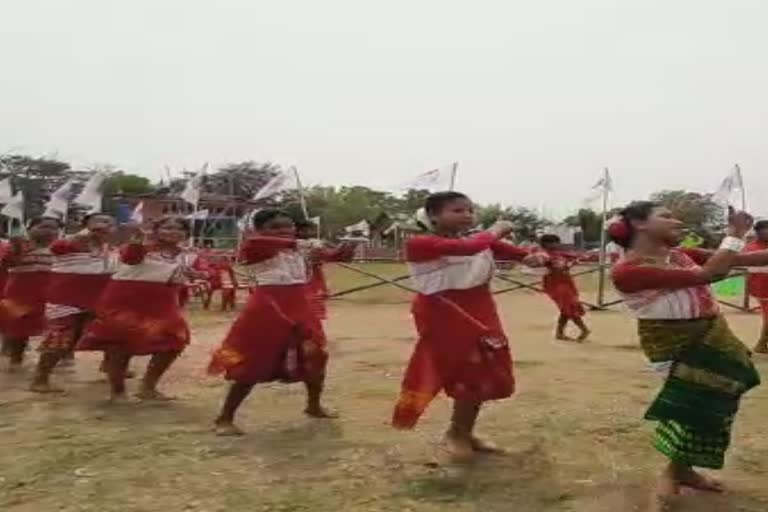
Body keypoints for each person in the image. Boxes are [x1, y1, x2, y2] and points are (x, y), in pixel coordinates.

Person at [608, 202, 768, 502]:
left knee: (716, 404)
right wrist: (734, 233)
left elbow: (741, 259)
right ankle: (673, 471)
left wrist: (736, 245)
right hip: (674, 342)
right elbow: (711, 273)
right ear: (639, 224)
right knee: (692, 406)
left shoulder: (679, 256)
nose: (677, 221)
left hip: (713, 334)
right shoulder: (628, 270)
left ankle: (683, 470)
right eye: (666, 216)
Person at [392, 192, 545, 459]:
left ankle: (462, 431)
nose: (467, 215)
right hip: (444, 311)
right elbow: (469, 249)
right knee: (463, 369)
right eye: (457, 210)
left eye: (470, 210)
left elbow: (516, 253)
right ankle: (457, 433)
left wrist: (535, 257)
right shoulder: (420, 243)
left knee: (484, 368)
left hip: (481, 308)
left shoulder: (477, 241)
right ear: (434, 216)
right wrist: (496, 230)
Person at [208, 210, 334, 436]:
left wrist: (347, 248)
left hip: (300, 308)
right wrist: (300, 242)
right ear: (260, 229)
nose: (284, 231)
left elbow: (335, 255)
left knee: (316, 356)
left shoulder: (297, 251)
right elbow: (257, 242)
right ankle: (224, 418)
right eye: (275, 227)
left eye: (288, 226)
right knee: (253, 363)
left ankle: (313, 406)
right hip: (267, 310)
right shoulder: (255, 247)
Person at [77, 217, 197, 403]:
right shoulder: (141, 245)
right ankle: (118, 392)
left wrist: (200, 275)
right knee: (121, 345)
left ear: (186, 233)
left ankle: (148, 387)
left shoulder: (187, 254)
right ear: (156, 230)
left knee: (174, 341)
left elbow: (191, 274)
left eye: (179, 228)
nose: (174, 231)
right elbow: (130, 258)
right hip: (126, 300)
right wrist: (137, 240)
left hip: (162, 302)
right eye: (167, 227)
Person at [30, 213, 117, 393]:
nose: (104, 224)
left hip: (96, 301)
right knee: (59, 340)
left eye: (109, 222)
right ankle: (40, 379)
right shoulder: (69, 243)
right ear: (85, 225)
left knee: (108, 333)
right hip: (64, 300)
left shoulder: (111, 249)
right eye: (99, 221)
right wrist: (85, 234)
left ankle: (110, 367)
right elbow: (57, 248)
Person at [0, 217, 60, 370]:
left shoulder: (58, 249)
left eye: (54, 228)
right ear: (30, 228)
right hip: (19, 294)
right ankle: (15, 361)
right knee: (18, 331)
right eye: (44, 226)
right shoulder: (21, 246)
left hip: (46, 296)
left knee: (46, 329)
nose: (49, 231)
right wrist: (16, 247)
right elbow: (7, 262)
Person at [295, 220, 357, 321]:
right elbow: (333, 256)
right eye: (310, 230)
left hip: (309, 282)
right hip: (304, 284)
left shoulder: (313, 245)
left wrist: (348, 246)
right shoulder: (310, 245)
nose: (313, 232)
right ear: (300, 230)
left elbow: (336, 257)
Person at [538, 234, 590, 341]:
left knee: (566, 308)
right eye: (553, 242)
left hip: (566, 282)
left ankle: (559, 332)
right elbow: (543, 264)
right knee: (570, 306)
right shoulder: (543, 255)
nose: (556, 244)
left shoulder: (560, 254)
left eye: (556, 242)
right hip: (556, 285)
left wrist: (576, 261)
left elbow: (575, 258)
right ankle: (584, 329)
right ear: (545, 244)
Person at [746, 220, 768, 353]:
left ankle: (762, 344)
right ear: (758, 233)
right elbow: (750, 270)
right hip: (762, 287)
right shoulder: (751, 248)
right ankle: (761, 344)